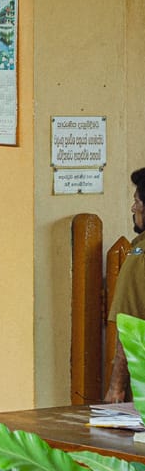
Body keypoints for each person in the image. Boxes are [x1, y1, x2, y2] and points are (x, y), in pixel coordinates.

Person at [104, 167, 145, 402]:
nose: (133, 208)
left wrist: (116, 387)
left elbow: (130, 324)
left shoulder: (140, 256)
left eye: (137, 201)